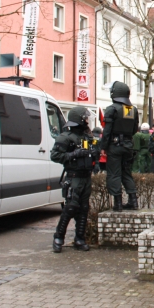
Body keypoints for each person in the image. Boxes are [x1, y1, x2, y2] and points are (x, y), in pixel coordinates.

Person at [50, 106, 98, 252]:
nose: (87, 121)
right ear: (79, 119)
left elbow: (94, 153)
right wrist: (73, 154)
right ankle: (58, 237)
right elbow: (55, 156)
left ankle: (79, 238)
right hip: (73, 177)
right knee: (71, 207)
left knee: (83, 208)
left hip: (86, 177)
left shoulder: (87, 137)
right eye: (85, 118)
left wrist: (94, 154)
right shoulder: (65, 137)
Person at [101, 81, 139, 211]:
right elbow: (134, 129)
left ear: (114, 93)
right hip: (128, 145)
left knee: (114, 174)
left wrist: (104, 147)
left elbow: (107, 131)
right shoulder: (133, 109)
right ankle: (133, 201)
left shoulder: (112, 108)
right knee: (126, 173)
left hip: (115, 145)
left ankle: (117, 203)